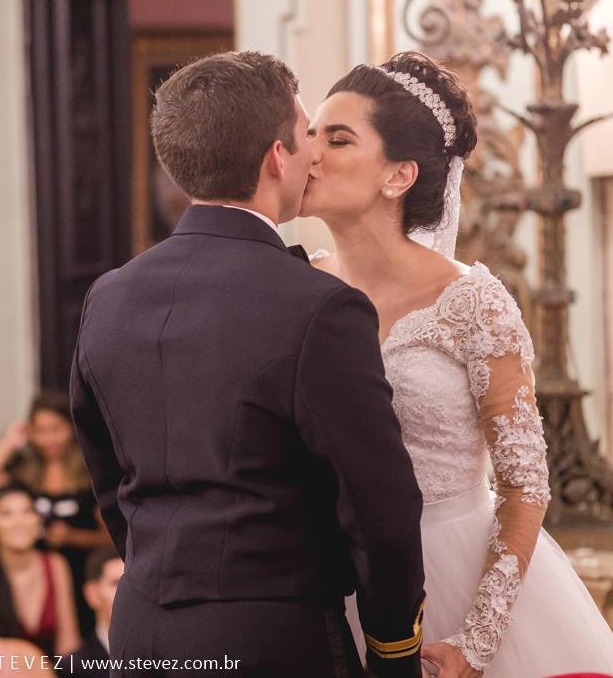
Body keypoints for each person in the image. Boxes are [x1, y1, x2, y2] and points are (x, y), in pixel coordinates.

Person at [70, 50, 428, 678]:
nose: (314, 153)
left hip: (141, 626)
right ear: (275, 157)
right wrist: (394, 651)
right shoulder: (320, 307)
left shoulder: (109, 295)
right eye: (303, 136)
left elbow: (106, 473)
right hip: (272, 636)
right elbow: (380, 505)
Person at [303, 52, 613, 678]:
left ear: (399, 176)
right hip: (332, 581)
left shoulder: (473, 301)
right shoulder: (299, 288)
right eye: (311, 134)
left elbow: (525, 483)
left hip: (460, 584)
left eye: (337, 139)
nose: (311, 152)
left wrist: (478, 639)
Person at [0, 391, 110, 637]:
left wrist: (71, 537)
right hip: (32, 575)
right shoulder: (24, 471)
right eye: (40, 430)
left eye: (56, 429)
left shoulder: (89, 472)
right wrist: (8, 443)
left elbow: (112, 538)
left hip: (79, 575)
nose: (48, 438)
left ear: (71, 428)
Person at [0, 485, 79, 656]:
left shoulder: (56, 565)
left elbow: (68, 643)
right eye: (6, 513)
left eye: (27, 511)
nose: (19, 521)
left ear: (38, 520)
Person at [58, 546, 122, 678]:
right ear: (92, 594)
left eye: (133, 584)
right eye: (116, 583)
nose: (128, 593)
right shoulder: (72, 669)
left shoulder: (167, 659)